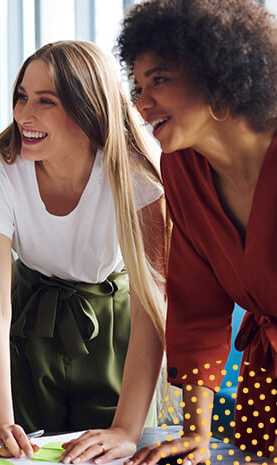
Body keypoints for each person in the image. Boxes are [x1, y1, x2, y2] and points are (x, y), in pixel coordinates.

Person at [0, 40, 169, 462]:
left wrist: (127, 430)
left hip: (116, 331)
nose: (23, 115)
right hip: (28, 323)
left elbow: (152, 305)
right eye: (21, 97)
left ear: (87, 110)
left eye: (45, 101)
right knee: (28, 452)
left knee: (110, 454)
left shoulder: (137, 177)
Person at [117, 0, 277, 462]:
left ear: (218, 73)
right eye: (138, 86)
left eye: (159, 80)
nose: (142, 104)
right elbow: (196, 308)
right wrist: (197, 435)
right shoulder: (181, 169)